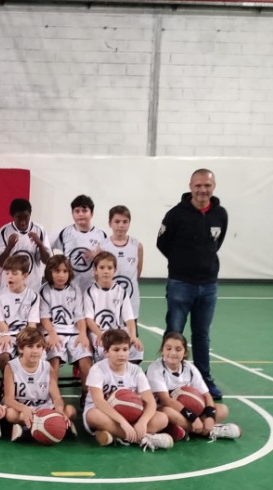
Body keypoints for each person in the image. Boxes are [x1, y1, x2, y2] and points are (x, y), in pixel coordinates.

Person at [157, 168, 228, 400]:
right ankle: (166, 379)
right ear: (190, 187)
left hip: (208, 285)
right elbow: (162, 243)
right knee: (174, 332)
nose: (202, 190)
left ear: (213, 187)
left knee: (201, 335)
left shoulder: (220, 214)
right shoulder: (175, 214)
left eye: (207, 185)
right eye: (198, 185)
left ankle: (203, 380)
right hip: (180, 283)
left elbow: (216, 243)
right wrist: (181, 262)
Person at [83, 329, 173, 451]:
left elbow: (150, 402)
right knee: (93, 415)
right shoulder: (97, 369)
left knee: (162, 418)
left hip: (131, 415)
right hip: (104, 413)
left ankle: (116, 435)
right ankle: (142, 439)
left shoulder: (136, 370)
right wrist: (123, 422)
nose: (121, 354)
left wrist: (143, 421)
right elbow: (99, 401)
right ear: (106, 353)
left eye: (125, 349)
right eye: (116, 350)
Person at [146, 332, 241, 442]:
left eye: (178, 349)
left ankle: (187, 428)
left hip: (186, 413)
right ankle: (207, 431)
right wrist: (193, 418)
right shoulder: (155, 369)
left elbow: (206, 395)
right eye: (168, 348)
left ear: (185, 352)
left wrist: (210, 416)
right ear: (162, 350)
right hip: (162, 410)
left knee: (222, 410)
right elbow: (166, 400)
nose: (173, 353)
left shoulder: (189, 368)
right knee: (167, 411)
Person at [3, 328, 77, 442]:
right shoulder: (11, 367)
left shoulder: (47, 367)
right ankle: (57, 426)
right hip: (22, 409)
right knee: (10, 414)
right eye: (30, 346)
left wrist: (59, 410)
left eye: (38, 347)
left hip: (44, 409)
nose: (35, 351)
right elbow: (8, 399)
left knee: (71, 410)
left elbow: (56, 397)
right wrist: (24, 409)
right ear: (21, 348)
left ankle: (27, 429)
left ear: (43, 349)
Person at [39, 255, 92, 399]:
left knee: (86, 360)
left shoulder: (75, 289)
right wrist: (52, 334)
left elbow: (79, 316)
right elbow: (44, 318)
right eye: (57, 271)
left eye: (65, 271)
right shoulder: (44, 291)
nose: (61, 275)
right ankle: (53, 397)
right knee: (54, 360)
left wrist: (83, 334)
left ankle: (86, 395)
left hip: (73, 331)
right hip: (54, 331)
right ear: (49, 272)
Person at [84, 252, 143, 364]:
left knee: (136, 349)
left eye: (109, 268)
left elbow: (129, 319)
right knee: (105, 350)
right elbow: (89, 320)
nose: (106, 271)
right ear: (95, 270)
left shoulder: (121, 291)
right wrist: (99, 334)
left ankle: (126, 373)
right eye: (102, 268)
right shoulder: (90, 292)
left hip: (118, 331)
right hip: (99, 332)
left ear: (114, 270)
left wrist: (133, 336)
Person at [0, 255, 40, 373]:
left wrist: (25, 340)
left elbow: (32, 324)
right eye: (7, 273)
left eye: (14, 273)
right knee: (3, 356)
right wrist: (5, 334)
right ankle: (9, 381)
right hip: (5, 332)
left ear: (24, 276)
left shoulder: (33, 295)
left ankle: (26, 381)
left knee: (33, 355)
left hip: (26, 334)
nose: (9, 276)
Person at [0, 198, 51, 293]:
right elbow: (0, 263)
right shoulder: (4, 231)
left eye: (26, 217)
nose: (23, 222)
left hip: (32, 287)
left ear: (30, 214)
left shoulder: (39, 230)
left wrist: (40, 244)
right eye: (18, 218)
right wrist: (9, 247)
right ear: (12, 216)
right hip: (8, 286)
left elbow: (47, 261)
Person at [53, 195, 107, 293]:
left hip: (94, 288)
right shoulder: (65, 233)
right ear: (72, 214)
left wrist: (97, 257)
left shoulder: (101, 235)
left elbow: (110, 259)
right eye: (77, 211)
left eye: (84, 211)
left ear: (92, 214)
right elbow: (46, 247)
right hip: (70, 288)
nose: (80, 214)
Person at [98, 205, 143, 323]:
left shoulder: (137, 245)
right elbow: (98, 274)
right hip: (108, 300)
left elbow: (138, 270)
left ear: (129, 223)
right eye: (117, 221)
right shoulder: (102, 246)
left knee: (130, 332)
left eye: (125, 222)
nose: (121, 225)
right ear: (110, 223)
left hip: (131, 299)